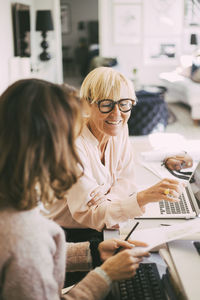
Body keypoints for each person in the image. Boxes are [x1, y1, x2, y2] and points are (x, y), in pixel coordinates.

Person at [0, 78, 149, 300]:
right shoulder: (26, 236)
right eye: (71, 138)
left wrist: (93, 252)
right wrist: (104, 276)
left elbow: (32, 257)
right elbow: (28, 251)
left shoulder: (13, 208)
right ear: (49, 147)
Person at [44, 67, 184, 241]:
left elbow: (126, 180)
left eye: (124, 103)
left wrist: (106, 201)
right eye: (106, 104)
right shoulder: (73, 146)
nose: (117, 114)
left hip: (103, 219)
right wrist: (142, 198)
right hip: (68, 233)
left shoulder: (119, 127)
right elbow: (91, 214)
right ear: (87, 104)